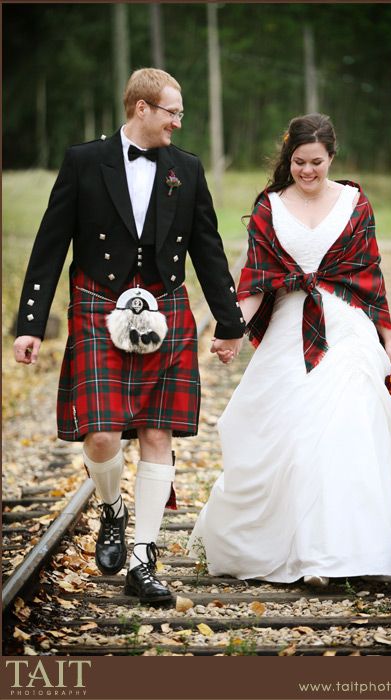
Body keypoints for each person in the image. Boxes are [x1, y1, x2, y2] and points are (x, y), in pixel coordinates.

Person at [13, 67, 244, 604]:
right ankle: (112, 509)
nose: (177, 121)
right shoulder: (84, 162)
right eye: (172, 111)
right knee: (102, 434)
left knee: (158, 435)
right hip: (98, 303)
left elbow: (207, 248)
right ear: (141, 108)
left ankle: (144, 557)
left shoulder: (184, 168)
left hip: (165, 306)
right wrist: (29, 323)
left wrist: (229, 324)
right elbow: (50, 245)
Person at [188, 113, 391, 587]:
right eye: (300, 162)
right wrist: (231, 329)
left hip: (348, 329)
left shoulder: (355, 203)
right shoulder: (269, 207)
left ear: (331, 159)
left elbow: (371, 279)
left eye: (317, 162)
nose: (308, 171)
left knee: (351, 434)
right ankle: (307, 556)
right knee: (296, 440)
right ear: (289, 159)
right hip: (290, 328)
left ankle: (355, 554)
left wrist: (389, 338)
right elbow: (256, 283)